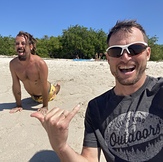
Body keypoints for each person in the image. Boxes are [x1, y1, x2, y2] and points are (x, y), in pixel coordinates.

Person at [31, 20, 163, 161]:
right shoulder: (96, 108)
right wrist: (61, 146)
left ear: (147, 53)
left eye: (135, 49)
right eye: (116, 51)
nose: (125, 57)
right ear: (108, 59)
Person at [10, 31, 60, 114]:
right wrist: (18, 105)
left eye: (23, 43)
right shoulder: (13, 64)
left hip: (48, 93)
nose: (19, 46)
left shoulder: (40, 64)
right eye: (17, 43)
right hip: (33, 97)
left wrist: (45, 106)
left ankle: (57, 87)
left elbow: (43, 85)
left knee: (55, 90)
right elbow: (16, 85)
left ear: (30, 46)